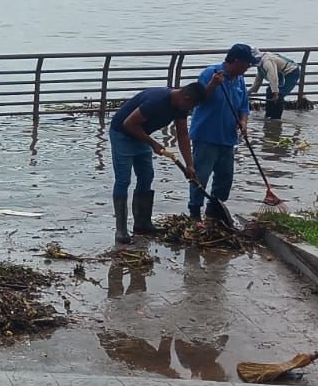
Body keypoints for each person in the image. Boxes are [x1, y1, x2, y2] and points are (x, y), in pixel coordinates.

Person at [108, 82, 209, 243]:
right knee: (123, 179)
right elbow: (129, 123)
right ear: (186, 98)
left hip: (142, 136)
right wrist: (152, 143)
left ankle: (142, 224)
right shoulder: (157, 101)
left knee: (146, 177)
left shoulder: (180, 107)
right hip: (122, 134)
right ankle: (121, 231)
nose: (191, 110)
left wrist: (190, 165)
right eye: (192, 106)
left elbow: (183, 135)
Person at [187, 44, 255, 221]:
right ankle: (195, 211)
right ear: (237, 61)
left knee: (225, 178)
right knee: (200, 175)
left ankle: (214, 209)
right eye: (247, 63)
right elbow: (198, 100)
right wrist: (212, 85)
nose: (249, 67)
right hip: (206, 135)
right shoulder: (211, 73)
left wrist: (243, 122)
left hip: (228, 137)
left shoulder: (239, 80)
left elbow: (243, 106)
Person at [248, 50, 303, 119]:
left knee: (279, 95)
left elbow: (273, 77)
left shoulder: (267, 61)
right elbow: (258, 81)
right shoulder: (260, 65)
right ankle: (268, 115)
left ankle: (276, 117)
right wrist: (249, 92)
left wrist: (276, 93)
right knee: (269, 91)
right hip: (280, 74)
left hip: (291, 72)